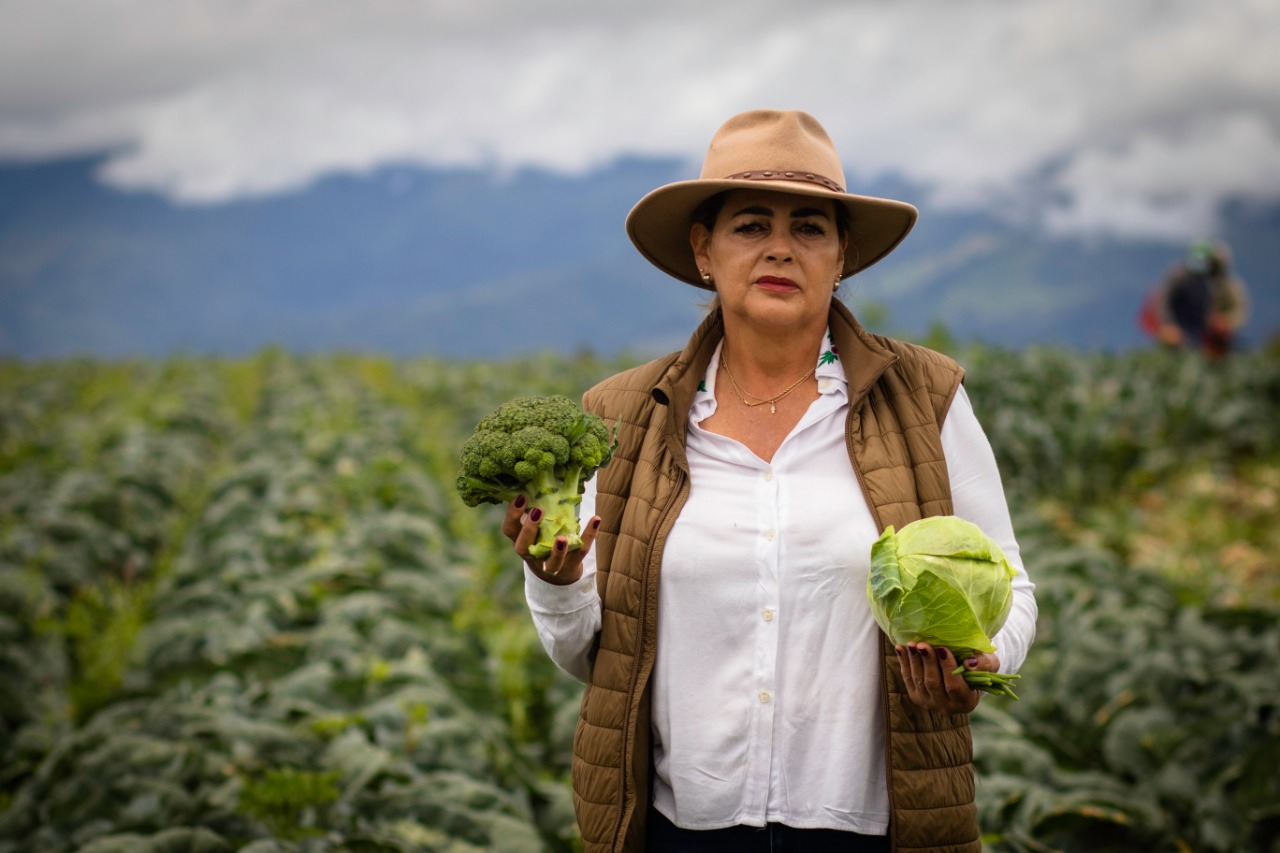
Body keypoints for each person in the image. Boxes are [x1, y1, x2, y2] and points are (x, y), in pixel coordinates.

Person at [501, 110, 1037, 853]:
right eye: (751, 225)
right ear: (704, 251)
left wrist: (981, 660)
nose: (781, 248)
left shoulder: (927, 396)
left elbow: (1011, 584)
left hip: (872, 831)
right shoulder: (621, 415)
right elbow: (590, 656)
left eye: (810, 227)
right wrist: (552, 581)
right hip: (678, 831)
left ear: (842, 253)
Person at [1141, 239, 1250, 358]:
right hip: (1179, 332)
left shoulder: (1225, 286)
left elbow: (1239, 310)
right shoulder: (1178, 279)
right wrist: (1169, 325)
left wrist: (1226, 322)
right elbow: (1163, 303)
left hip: (1205, 336)